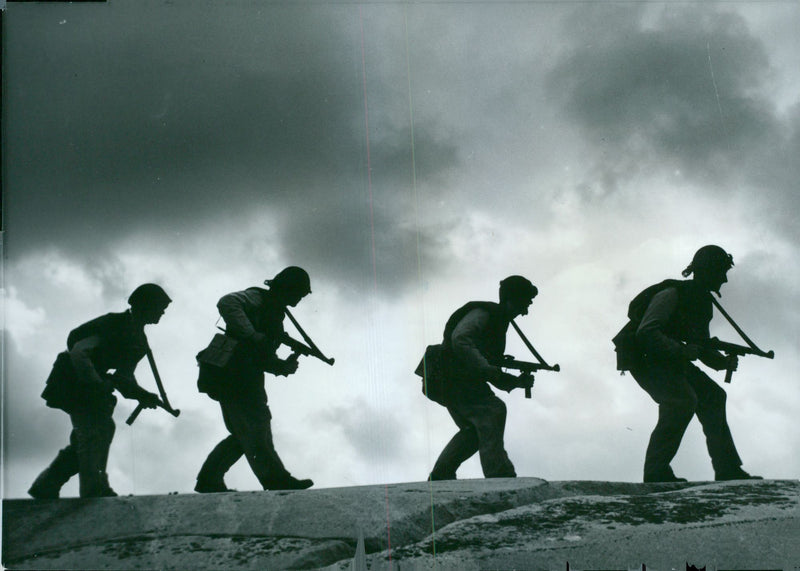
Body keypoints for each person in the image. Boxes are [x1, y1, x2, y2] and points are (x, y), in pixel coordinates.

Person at [613, 245, 761, 483]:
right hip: (644, 357)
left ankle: (727, 469)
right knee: (681, 401)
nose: (724, 279)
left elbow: (699, 346)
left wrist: (722, 362)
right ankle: (656, 472)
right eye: (720, 272)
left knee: (713, 396)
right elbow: (647, 333)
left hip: (668, 358)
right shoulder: (672, 293)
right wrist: (682, 350)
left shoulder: (702, 302)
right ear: (707, 271)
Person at [29, 284, 170, 499]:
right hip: (73, 380)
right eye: (159, 307)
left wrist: (142, 394)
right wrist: (96, 383)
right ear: (144, 306)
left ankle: (47, 484)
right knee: (94, 433)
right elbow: (78, 353)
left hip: (91, 385)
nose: (162, 312)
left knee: (93, 434)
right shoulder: (114, 324)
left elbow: (124, 378)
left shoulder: (139, 341)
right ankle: (93, 489)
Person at [194, 266, 315, 493]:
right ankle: (275, 479)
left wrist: (281, 366)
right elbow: (227, 302)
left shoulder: (274, 311)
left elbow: (262, 355)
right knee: (255, 426)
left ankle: (209, 479)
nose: (300, 298)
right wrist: (252, 335)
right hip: (233, 374)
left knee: (245, 432)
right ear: (288, 288)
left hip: (244, 375)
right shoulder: (258, 298)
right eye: (298, 292)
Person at [427, 275, 537, 481]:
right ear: (512, 299)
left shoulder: (497, 321)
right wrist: (488, 368)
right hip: (453, 378)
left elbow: (487, 368)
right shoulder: (485, 313)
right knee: (493, 410)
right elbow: (460, 339)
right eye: (524, 303)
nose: (525, 311)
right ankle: (499, 474)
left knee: (474, 431)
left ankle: (441, 475)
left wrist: (517, 382)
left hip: (451, 381)